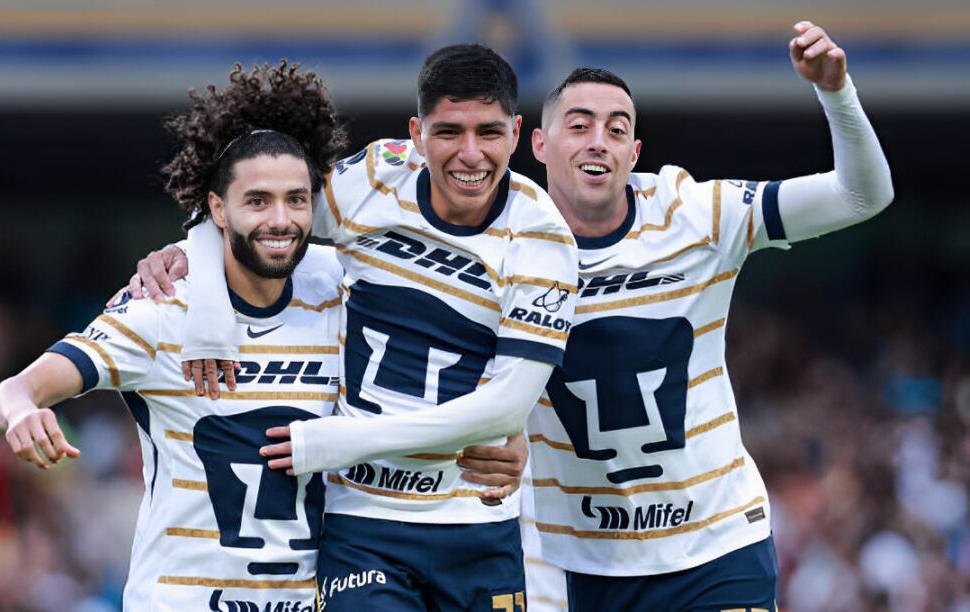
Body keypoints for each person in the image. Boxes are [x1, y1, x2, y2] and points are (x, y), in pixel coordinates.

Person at [137, 44, 579, 609]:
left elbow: (507, 408)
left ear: (517, 133)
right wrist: (192, 267)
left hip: (477, 523)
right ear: (417, 133)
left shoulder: (542, 237)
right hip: (362, 527)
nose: (471, 155)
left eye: (489, 133)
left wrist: (342, 442)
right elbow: (257, 211)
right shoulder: (373, 180)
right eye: (449, 132)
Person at [524, 21, 893, 610]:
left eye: (617, 130)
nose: (599, 140)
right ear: (540, 146)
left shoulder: (697, 214)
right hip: (586, 563)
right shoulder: (504, 247)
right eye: (579, 126)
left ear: (634, 153)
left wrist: (836, 91)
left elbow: (861, 196)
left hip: (718, 547)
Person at [0, 62, 350, 610]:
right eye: (258, 201)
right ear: (217, 209)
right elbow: (11, 390)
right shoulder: (161, 309)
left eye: (296, 200)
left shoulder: (339, 292)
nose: (281, 219)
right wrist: (21, 412)